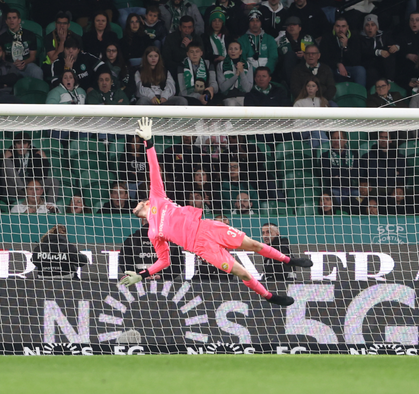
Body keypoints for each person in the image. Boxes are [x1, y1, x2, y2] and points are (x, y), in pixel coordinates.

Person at [118, 118, 313, 306]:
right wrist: (142, 274)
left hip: (208, 227)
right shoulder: (152, 233)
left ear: (145, 202)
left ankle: (289, 260)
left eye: (138, 202)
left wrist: (148, 141)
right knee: (242, 272)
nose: (134, 205)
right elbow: (164, 260)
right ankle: (269, 296)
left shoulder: (157, 198)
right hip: (201, 247)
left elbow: (154, 169)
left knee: (253, 244)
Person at [120, 218, 185, 276]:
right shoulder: (170, 239)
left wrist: (141, 275)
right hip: (164, 284)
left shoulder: (132, 239)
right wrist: (162, 276)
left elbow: (124, 263)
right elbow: (178, 265)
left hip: (137, 283)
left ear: (142, 221)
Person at [1, 133, 52, 200]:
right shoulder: (9, 154)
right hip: (13, 187)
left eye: (24, 143)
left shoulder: (35, 155)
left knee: (54, 182)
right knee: (6, 162)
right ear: (15, 145)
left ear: (28, 146)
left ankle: (50, 206)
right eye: (18, 143)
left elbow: (44, 175)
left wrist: (44, 159)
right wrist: (3, 159)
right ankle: (23, 189)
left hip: (30, 186)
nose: (21, 146)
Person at [0, 9, 44, 81]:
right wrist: (12, 64)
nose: (11, 20)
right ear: (6, 21)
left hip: (27, 64)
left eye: (14, 18)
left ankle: (37, 91)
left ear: (19, 20)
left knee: (37, 71)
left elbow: (33, 57)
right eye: (9, 18)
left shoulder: (30, 35)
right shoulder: (2, 38)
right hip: (10, 66)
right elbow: (2, 59)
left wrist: (24, 62)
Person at [320, 17, 363, 86]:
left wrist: (346, 47)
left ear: (347, 28)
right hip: (333, 67)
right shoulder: (327, 37)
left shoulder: (354, 37)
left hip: (349, 67)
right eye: (338, 26)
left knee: (360, 70)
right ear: (334, 27)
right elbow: (324, 58)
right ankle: (330, 95)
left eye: (343, 26)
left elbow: (356, 61)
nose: (340, 29)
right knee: (325, 70)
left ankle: (361, 95)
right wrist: (338, 64)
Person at [359, 15, 397, 87]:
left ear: (377, 27)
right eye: (367, 25)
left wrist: (396, 47)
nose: (370, 28)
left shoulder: (384, 35)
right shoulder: (360, 38)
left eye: (373, 25)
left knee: (390, 55)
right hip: (369, 63)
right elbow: (364, 51)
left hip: (382, 63)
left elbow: (393, 43)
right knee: (372, 72)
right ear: (364, 28)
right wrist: (378, 52)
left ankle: (390, 82)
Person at [239, 10, 278, 75]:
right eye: (252, 21)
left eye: (257, 21)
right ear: (248, 22)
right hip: (248, 75)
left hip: (267, 75)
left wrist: (265, 73)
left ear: (261, 22)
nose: (255, 24)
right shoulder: (242, 40)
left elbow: (273, 58)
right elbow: (242, 59)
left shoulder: (270, 39)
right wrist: (253, 73)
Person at [217, 41, 253, 105]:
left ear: (240, 52)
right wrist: (236, 75)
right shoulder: (221, 65)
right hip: (228, 97)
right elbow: (222, 88)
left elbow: (247, 89)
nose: (233, 51)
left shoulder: (248, 65)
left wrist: (242, 72)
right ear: (227, 51)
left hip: (244, 97)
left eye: (236, 49)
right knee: (231, 104)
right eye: (230, 49)